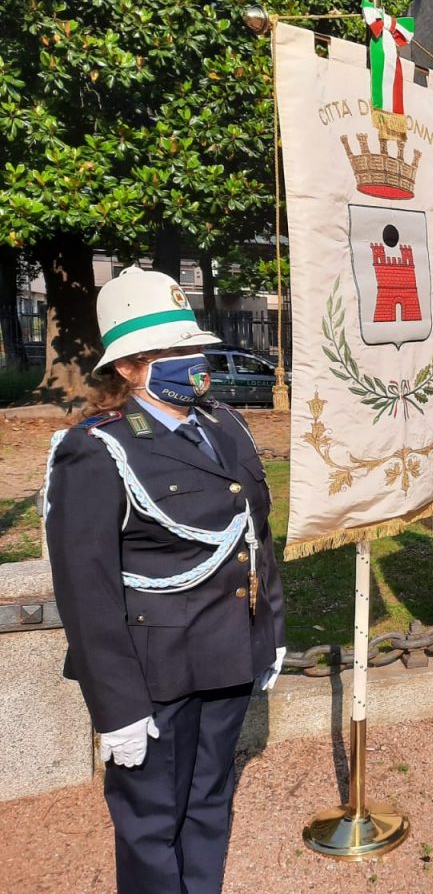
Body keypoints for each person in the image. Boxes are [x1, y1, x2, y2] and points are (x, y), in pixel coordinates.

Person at [43, 267, 286, 894]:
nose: (194, 361)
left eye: (194, 347)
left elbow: (257, 538)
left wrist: (270, 631)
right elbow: (87, 592)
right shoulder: (97, 448)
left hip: (227, 653)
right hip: (154, 675)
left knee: (209, 803)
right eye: (175, 352)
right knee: (152, 825)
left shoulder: (225, 425)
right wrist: (117, 707)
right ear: (128, 367)